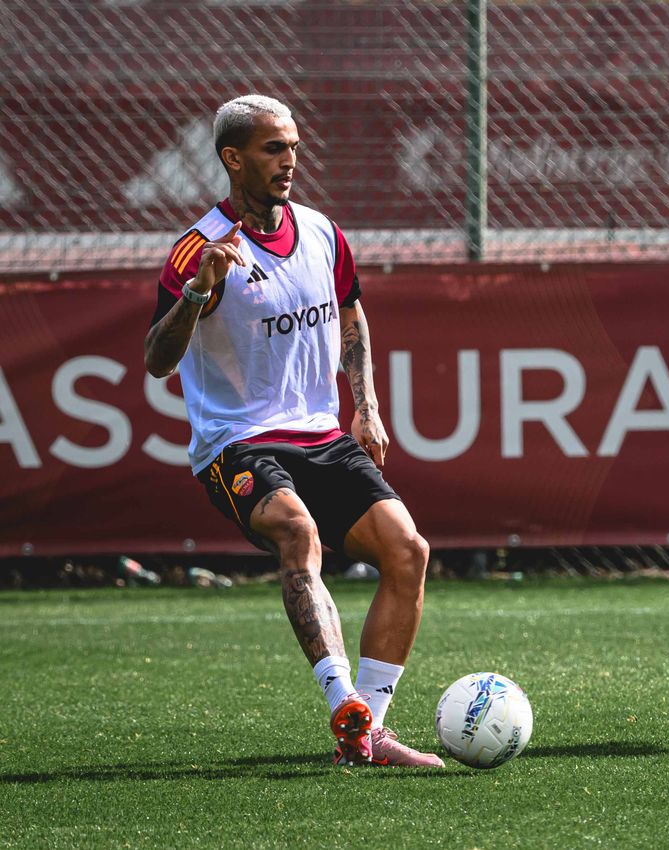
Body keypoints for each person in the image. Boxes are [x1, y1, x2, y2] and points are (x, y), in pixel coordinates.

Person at [144, 95, 442, 767]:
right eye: (273, 148)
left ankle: (369, 733)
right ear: (232, 158)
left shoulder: (321, 232)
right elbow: (157, 361)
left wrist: (365, 404)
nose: (289, 161)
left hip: (321, 435)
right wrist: (198, 292)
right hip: (237, 442)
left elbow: (351, 314)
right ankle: (344, 706)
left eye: (294, 147)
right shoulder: (198, 248)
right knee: (297, 532)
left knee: (408, 550)